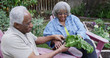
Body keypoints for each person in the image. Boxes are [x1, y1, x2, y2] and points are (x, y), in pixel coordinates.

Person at [1, 6, 71, 58]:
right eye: (28, 23)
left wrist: (53, 36)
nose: (31, 25)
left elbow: (36, 40)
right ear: (16, 25)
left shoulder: (23, 30)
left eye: (31, 22)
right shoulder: (11, 39)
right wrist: (59, 50)